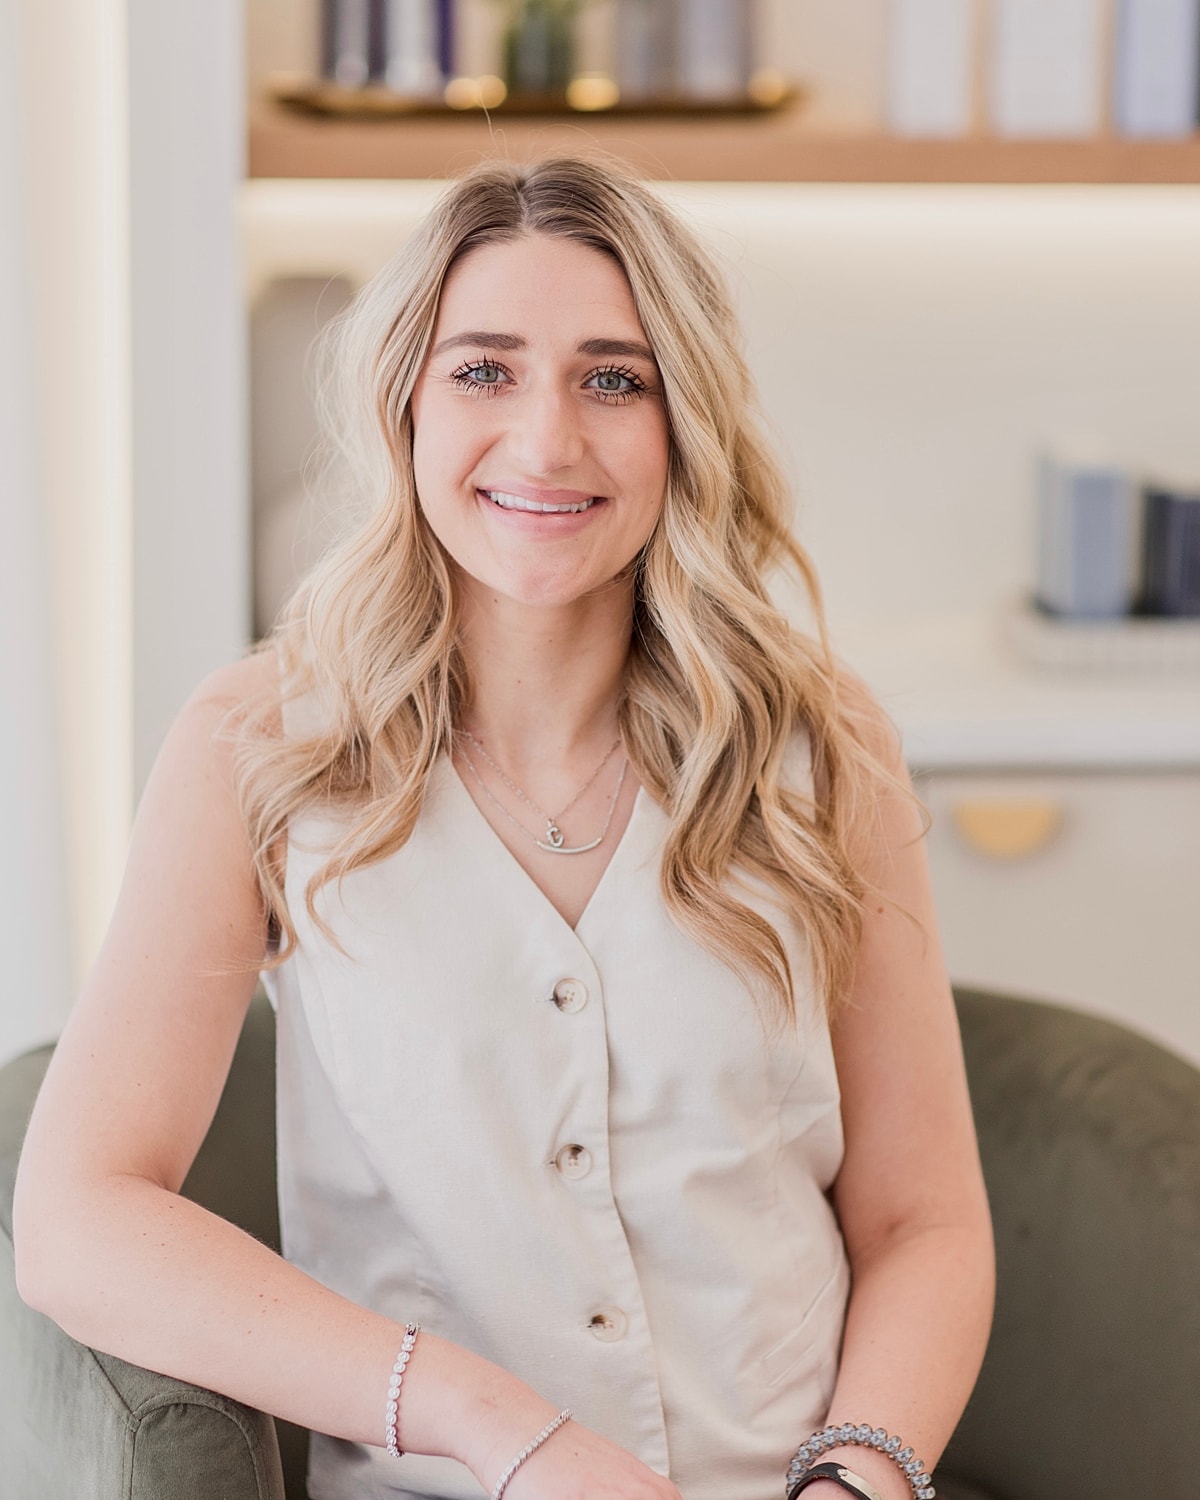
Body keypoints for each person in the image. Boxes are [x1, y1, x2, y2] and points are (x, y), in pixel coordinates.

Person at [14, 155, 994, 1500]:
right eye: (484, 370)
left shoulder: (820, 745)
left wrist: (857, 1480)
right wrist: (491, 1424)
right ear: (406, 401)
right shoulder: (262, 746)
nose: (545, 441)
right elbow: (77, 1224)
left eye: (613, 378)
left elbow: (921, 1220)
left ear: (682, 420)